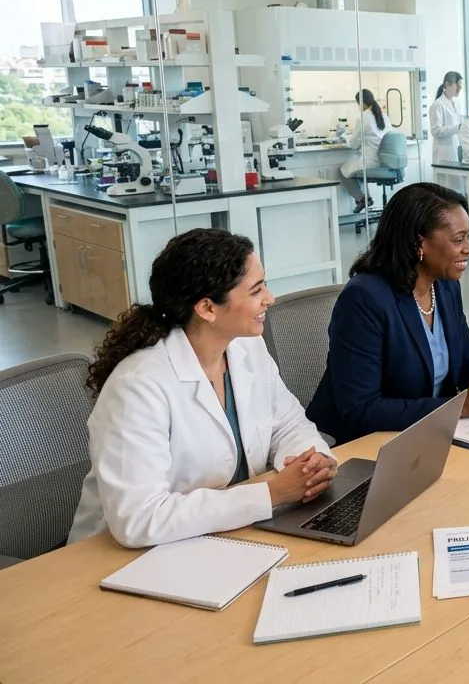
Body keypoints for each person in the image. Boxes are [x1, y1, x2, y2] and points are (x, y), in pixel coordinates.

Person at [68, 229, 338, 548]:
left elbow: (288, 424)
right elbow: (139, 519)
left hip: (224, 536)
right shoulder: (137, 387)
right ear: (207, 308)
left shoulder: (245, 347)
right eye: (256, 290)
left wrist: (310, 462)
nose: (270, 299)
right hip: (127, 557)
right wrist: (272, 494)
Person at [307, 183, 469, 445]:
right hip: (360, 444)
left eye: (467, 237)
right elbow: (361, 409)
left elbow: (467, 358)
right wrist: (458, 406)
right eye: (458, 239)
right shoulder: (364, 298)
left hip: (425, 433)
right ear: (419, 243)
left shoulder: (445, 285)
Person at [340, 88, 389, 214]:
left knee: (343, 170)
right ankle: (366, 198)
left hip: (371, 162)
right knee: (357, 169)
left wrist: (346, 138)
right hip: (385, 162)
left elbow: (354, 144)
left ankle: (362, 198)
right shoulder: (384, 116)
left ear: (361, 103)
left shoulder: (363, 117)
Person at [428, 71, 463, 182]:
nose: (460, 89)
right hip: (443, 154)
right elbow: (435, 131)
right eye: (457, 86)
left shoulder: (456, 103)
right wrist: (458, 127)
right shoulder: (437, 105)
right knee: (444, 186)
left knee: (456, 186)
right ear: (447, 84)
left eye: (461, 86)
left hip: (455, 151)